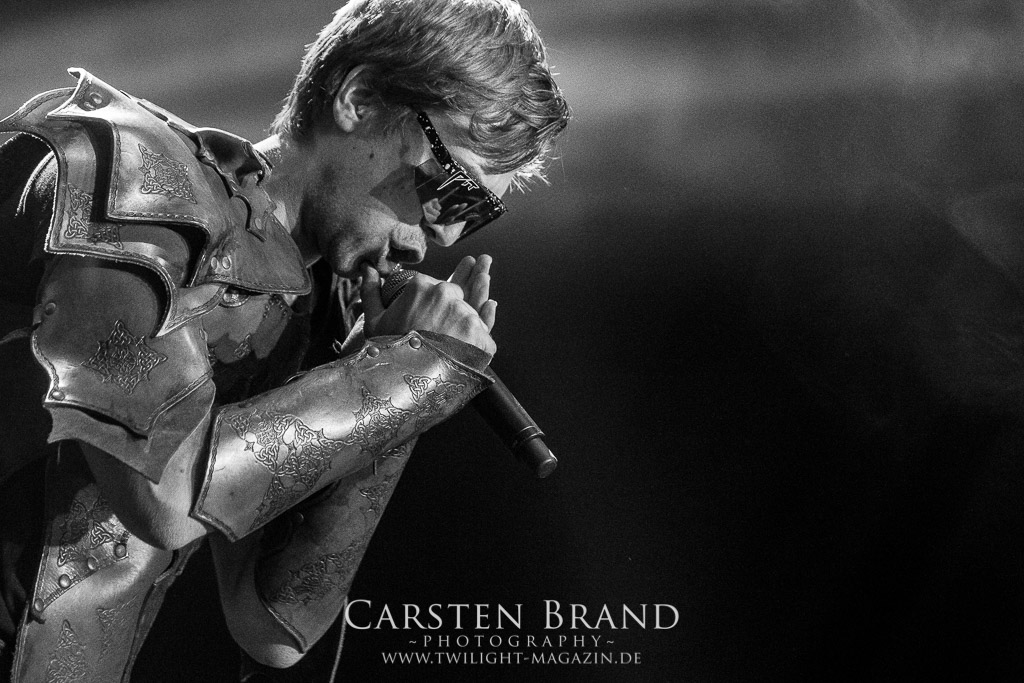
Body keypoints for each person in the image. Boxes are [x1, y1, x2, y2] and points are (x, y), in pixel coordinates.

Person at [0, 0, 569, 680]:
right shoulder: (136, 177)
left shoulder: (314, 310)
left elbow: (273, 624)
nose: (437, 237)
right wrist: (402, 377)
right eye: (448, 187)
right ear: (359, 98)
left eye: (472, 215)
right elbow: (166, 496)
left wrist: (402, 381)